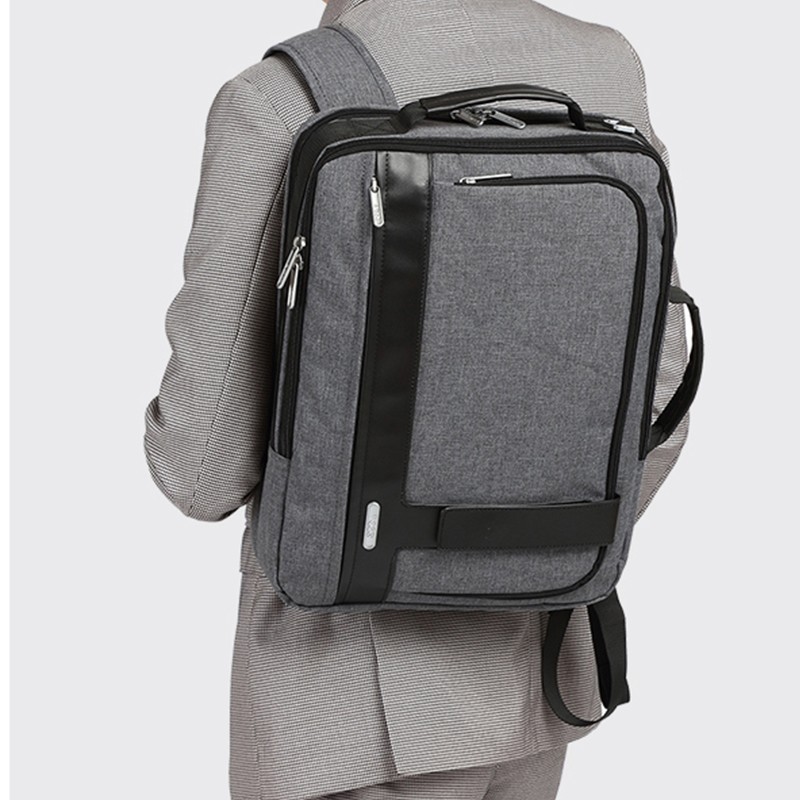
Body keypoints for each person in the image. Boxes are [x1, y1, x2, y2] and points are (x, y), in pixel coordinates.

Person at [145, 1, 679, 798]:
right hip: (537, 681)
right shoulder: (603, 68)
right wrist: (532, 546)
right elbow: (661, 389)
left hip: (343, 714)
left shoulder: (284, 96)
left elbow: (200, 470)